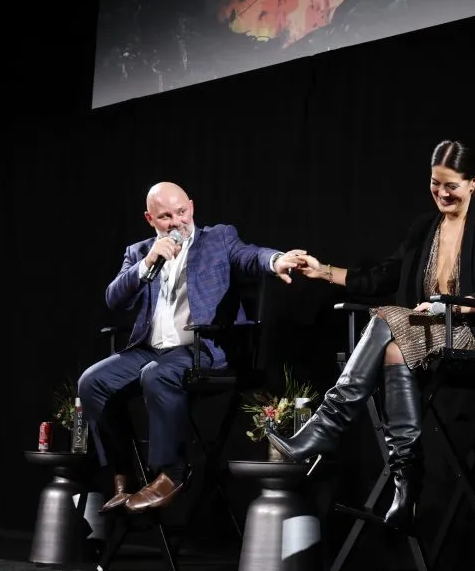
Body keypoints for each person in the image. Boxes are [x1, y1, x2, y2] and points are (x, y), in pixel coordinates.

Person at [268, 139, 475, 529]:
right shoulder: (424, 228)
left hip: (473, 333)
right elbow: (382, 276)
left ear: (473, 183)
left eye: (451, 185)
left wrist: (449, 305)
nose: (442, 192)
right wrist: (323, 272)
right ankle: (407, 479)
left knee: (385, 317)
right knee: (392, 351)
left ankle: (324, 428)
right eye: (435, 183)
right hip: (423, 332)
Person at [78, 181, 306, 514]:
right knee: (91, 383)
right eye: (166, 216)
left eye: (181, 211)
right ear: (150, 219)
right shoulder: (140, 252)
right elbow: (113, 298)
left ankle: (172, 472)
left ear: (192, 208)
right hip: (150, 348)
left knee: (158, 376)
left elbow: (251, 255)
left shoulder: (219, 239)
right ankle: (123, 475)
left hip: (200, 348)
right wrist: (146, 266)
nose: (176, 221)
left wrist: (277, 260)